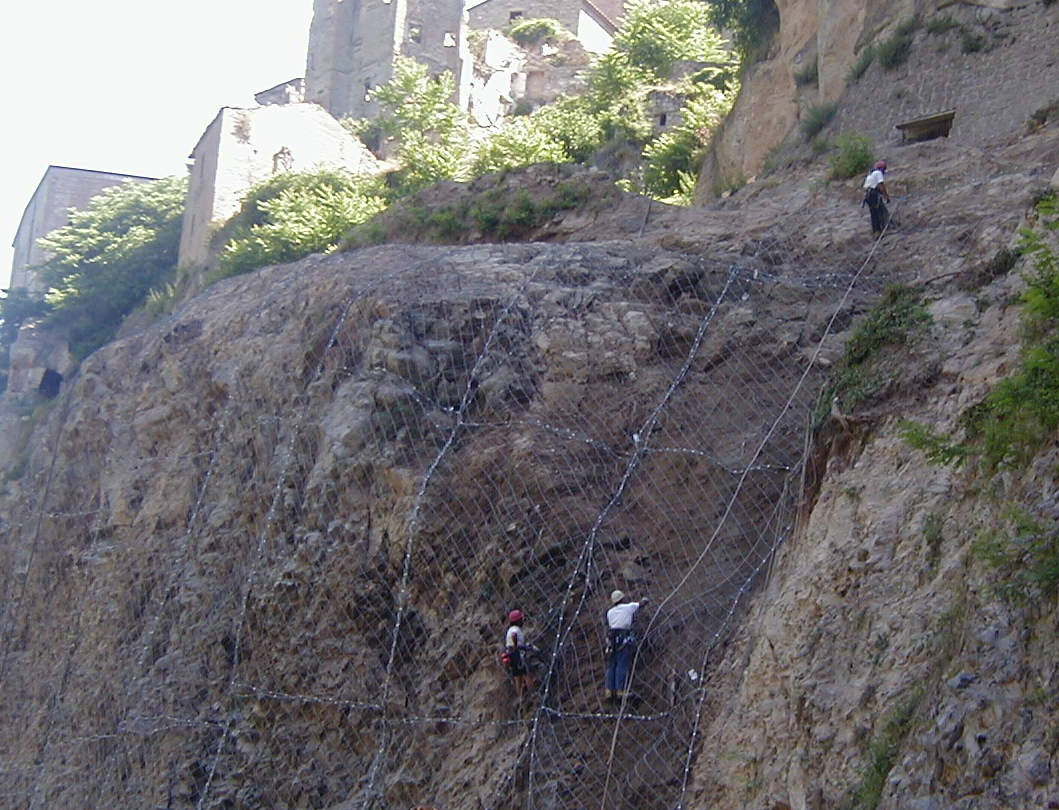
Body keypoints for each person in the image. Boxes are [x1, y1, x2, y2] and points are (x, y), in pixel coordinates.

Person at [604, 590, 647, 702]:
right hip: (623, 637)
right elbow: (641, 604)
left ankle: (609, 690)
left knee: (612, 664)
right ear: (622, 599)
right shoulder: (628, 607)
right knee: (622, 663)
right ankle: (621, 691)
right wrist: (645, 599)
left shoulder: (610, 612)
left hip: (612, 638)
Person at [504, 609, 535, 699]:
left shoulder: (509, 630)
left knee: (518, 677)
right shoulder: (515, 629)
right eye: (521, 619)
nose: (522, 621)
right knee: (526, 674)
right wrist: (517, 646)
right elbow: (514, 636)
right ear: (517, 621)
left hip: (511, 654)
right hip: (517, 655)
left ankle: (520, 697)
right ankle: (533, 695)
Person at [862, 160, 892, 239]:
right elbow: (880, 185)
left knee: (873, 213)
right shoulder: (878, 173)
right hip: (873, 194)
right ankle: (885, 228)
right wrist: (886, 196)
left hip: (868, 196)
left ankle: (876, 231)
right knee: (880, 211)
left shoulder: (870, 175)